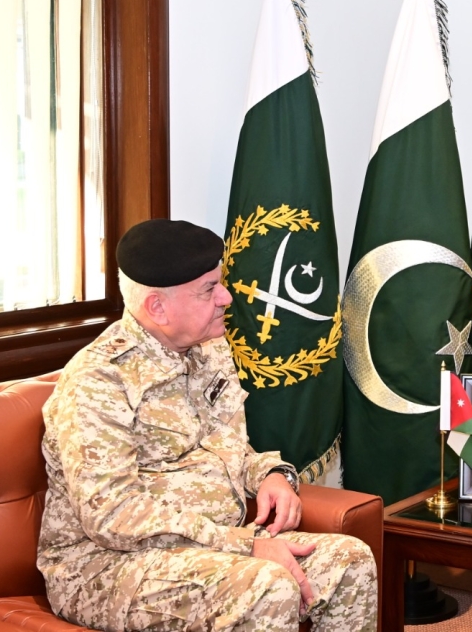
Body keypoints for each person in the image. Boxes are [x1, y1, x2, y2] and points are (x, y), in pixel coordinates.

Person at [37, 219, 377, 632]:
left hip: (211, 546)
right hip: (105, 568)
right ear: (157, 307)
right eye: (208, 289)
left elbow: (228, 445)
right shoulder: (99, 380)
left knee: (350, 560)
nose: (226, 297)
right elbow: (112, 515)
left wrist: (270, 474)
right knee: (266, 584)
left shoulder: (209, 349)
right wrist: (244, 544)